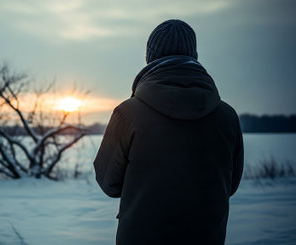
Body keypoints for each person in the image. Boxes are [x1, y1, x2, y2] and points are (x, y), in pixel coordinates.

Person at [93, 19, 244, 245]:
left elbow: (109, 184)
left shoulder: (128, 114)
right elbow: (229, 185)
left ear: (149, 57)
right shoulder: (227, 117)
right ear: (194, 56)